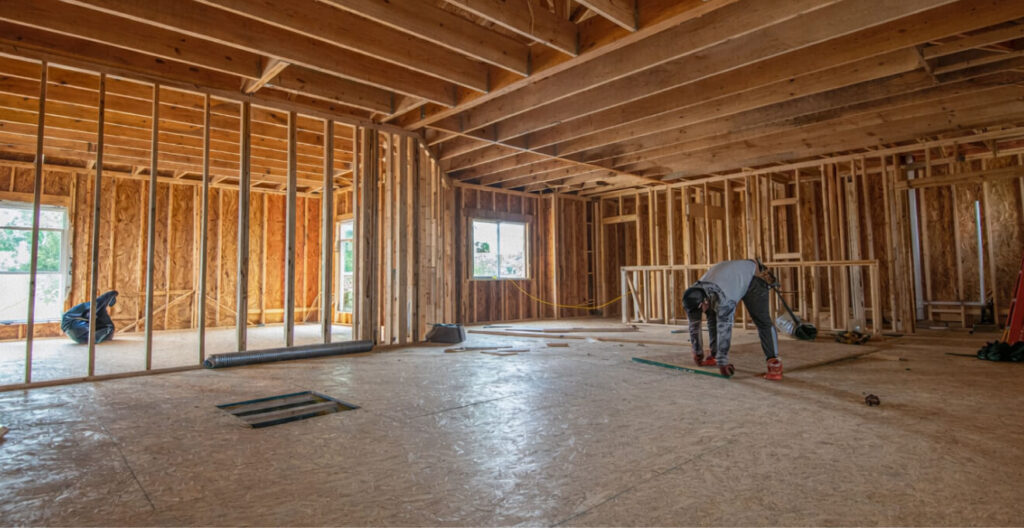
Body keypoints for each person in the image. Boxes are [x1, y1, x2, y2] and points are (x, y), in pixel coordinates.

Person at [682, 260, 782, 380]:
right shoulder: (693, 295)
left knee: (761, 319)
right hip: (730, 277)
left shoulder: (724, 299)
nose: (697, 314)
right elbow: (694, 325)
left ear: (704, 301)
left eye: (698, 310)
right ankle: (714, 355)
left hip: (753, 276)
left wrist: (723, 361)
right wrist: (697, 351)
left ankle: (774, 362)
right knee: (711, 315)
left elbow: (724, 328)